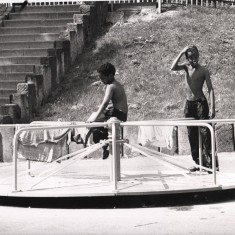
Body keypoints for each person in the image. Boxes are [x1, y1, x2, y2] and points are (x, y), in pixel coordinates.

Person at [171, 45, 218, 172]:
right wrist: (181, 51)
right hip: (189, 104)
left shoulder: (203, 70)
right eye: (191, 58)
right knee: (192, 134)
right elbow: (172, 67)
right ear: (187, 59)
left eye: (196, 57)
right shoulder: (186, 67)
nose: (194, 60)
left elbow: (210, 89)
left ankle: (211, 164)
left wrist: (212, 107)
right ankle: (198, 163)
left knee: (205, 133)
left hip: (200, 104)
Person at [87, 62, 128, 159]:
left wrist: (94, 120)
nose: (101, 81)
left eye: (103, 78)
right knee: (98, 118)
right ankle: (106, 144)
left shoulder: (111, 86)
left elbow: (105, 103)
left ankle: (105, 146)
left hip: (117, 113)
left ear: (110, 76)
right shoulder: (117, 84)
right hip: (121, 113)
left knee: (93, 122)